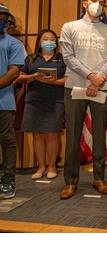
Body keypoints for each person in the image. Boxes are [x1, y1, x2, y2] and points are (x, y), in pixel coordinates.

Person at [59, 0, 107, 199]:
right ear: (85, 4)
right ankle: (70, 182)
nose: (97, 5)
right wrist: (90, 76)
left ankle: (99, 178)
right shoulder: (70, 27)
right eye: (93, 1)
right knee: (73, 135)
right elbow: (68, 57)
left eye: (101, 2)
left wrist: (98, 78)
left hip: (103, 86)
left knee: (100, 135)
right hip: (75, 86)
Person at [16, 29, 66, 180]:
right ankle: (41, 166)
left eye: (52, 39)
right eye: (45, 39)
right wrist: (33, 77)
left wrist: (55, 81)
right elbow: (19, 76)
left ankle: (52, 166)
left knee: (52, 133)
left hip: (55, 100)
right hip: (34, 100)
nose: (49, 42)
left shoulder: (61, 59)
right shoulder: (31, 58)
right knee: (37, 134)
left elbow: (69, 79)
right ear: (39, 42)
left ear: (55, 43)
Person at [0, 2, 25, 199]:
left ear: (8, 21)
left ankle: (8, 180)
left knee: (8, 142)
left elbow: (14, 71)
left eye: (3, 17)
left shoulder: (14, 44)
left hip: (4, 102)